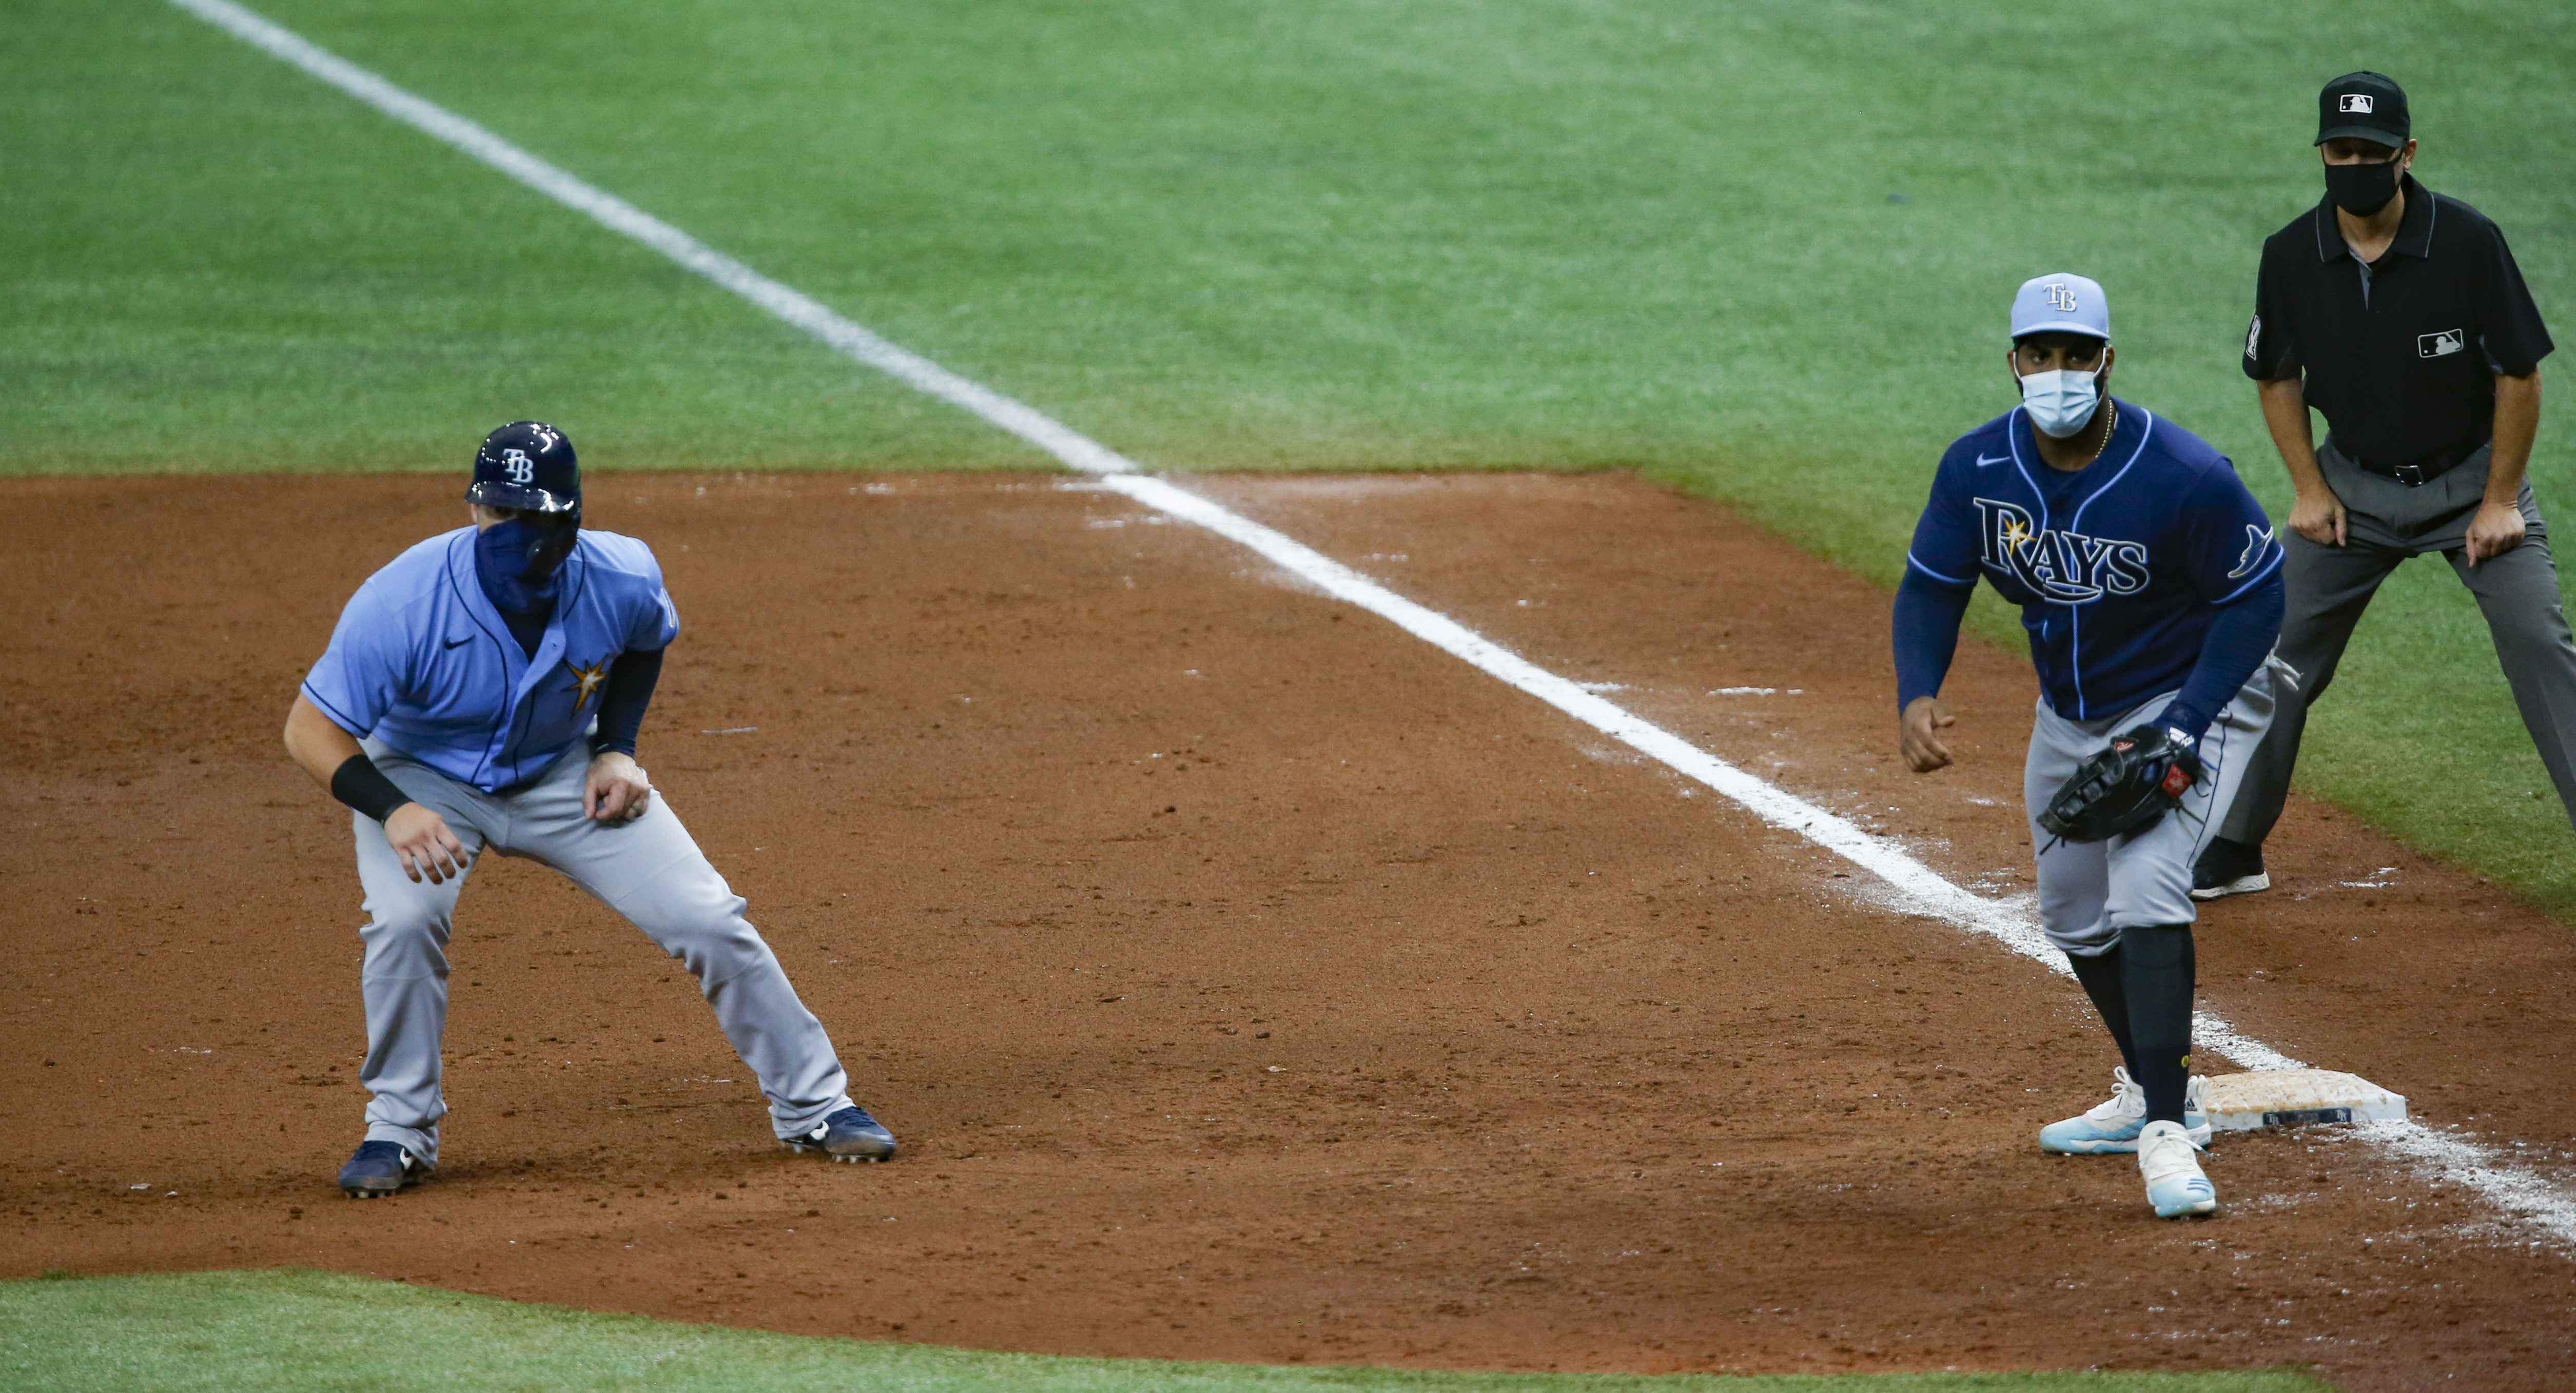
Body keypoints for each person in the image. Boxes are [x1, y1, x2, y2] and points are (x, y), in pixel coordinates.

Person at [283, 421, 897, 1197]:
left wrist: (619, 748)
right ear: (476, 512)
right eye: (504, 516)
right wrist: (394, 808)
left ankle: (816, 1106)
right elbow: (309, 731)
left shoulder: (621, 572)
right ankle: (398, 1130)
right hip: (421, 781)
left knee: (708, 917)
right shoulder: (401, 599)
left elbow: (646, 640)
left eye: (537, 518)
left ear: (571, 515)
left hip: (561, 774)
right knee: (403, 924)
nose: (520, 535)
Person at [1894, 274, 2286, 1219]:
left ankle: (2166, 1128)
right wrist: (1918, 691)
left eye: (2077, 356)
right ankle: (2159, 1087)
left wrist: (2186, 723)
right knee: (2071, 914)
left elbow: (2257, 599)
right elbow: (1933, 585)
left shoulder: (2183, 474)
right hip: (2070, 715)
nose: (2058, 373)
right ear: (2014, 361)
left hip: (2187, 695)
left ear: (2107, 361)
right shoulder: (1978, 467)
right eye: (2041, 354)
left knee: (2147, 886)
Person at [2198, 71, 2561, 899]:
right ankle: (2231, 846)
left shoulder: (2469, 243)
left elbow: (2518, 375)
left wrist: (2501, 498)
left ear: (2407, 155)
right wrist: (2309, 487)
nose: (2354, 164)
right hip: (2352, 495)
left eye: (2371, 152)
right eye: (2340, 150)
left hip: (2472, 491)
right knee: (2268, 657)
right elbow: (2276, 375)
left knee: (2543, 649)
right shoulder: (2291, 255)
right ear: (2322, 153)